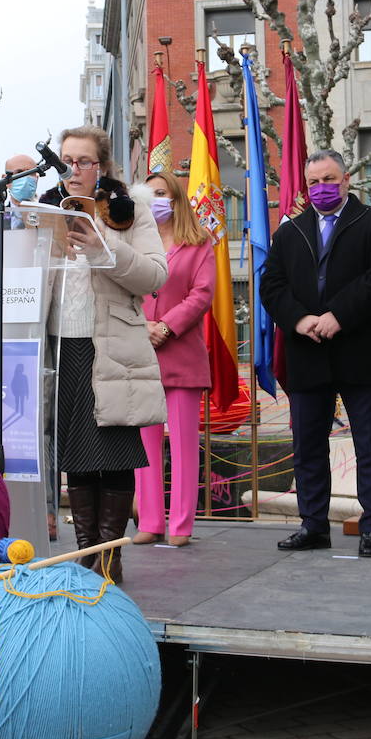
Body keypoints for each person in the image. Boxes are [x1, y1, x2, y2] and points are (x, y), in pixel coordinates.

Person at [39, 125, 167, 583]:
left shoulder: (128, 213)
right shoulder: (45, 209)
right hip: (60, 347)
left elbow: (154, 276)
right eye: (66, 160)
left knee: (111, 454)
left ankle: (111, 559)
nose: (73, 170)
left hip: (111, 348)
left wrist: (102, 247)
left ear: (102, 167)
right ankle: (87, 556)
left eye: (84, 161)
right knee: (76, 456)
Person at [260, 150, 371, 558]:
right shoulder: (290, 232)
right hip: (307, 352)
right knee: (307, 445)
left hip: (359, 350)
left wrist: (339, 314)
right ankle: (313, 524)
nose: (322, 187)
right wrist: (299, 319)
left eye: (330, 179)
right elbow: (272, 286)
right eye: (314, 181)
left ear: (347, 180)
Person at [132, 170, 215, 549]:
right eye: (148, 196)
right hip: (140, 356)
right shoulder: (133, 243)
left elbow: (202, 295)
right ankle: (149, 521)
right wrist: (142, 327)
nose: (155, 201)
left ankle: (181, 525)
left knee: (183, 445)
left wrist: (164, 327)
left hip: (181, 353)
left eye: (161, 193)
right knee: (144, 447)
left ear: (176, 199)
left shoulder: (199, 244)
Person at [0, 153, 38, 231]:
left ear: (36, 179)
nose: (25, 178)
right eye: (19, 172)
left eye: (30, 173)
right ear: (5, 180)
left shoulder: (50, 217)